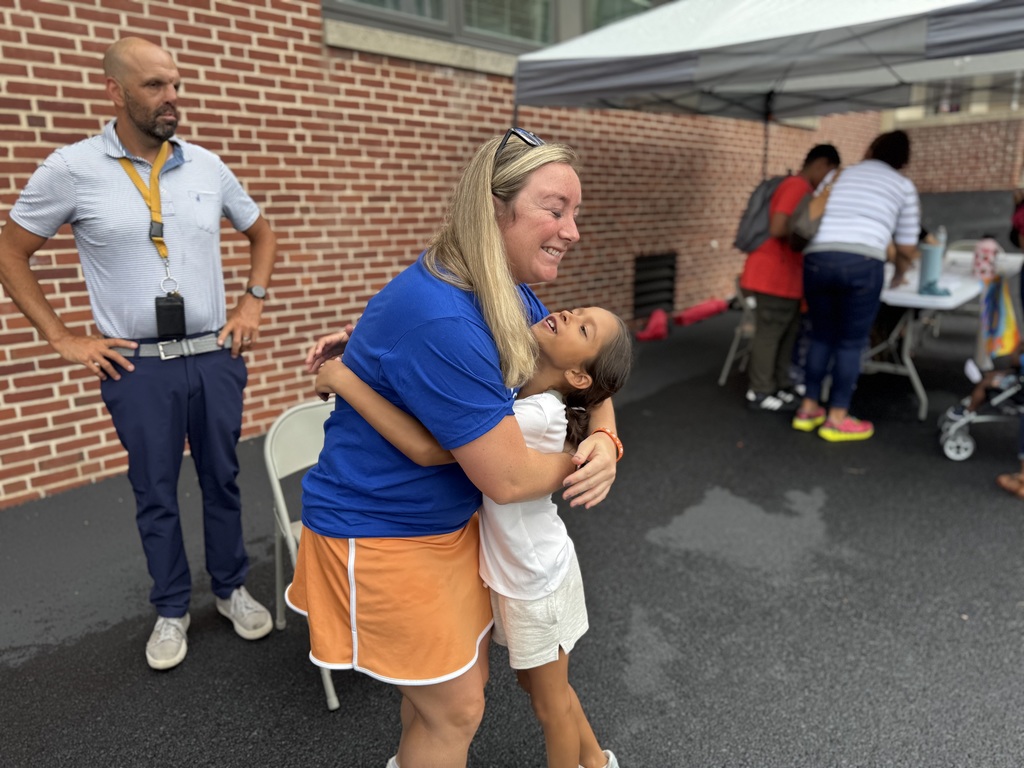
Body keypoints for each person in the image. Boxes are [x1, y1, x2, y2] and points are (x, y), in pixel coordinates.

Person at [288, 130, 622, 768]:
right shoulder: (446, 318)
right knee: (456, 707)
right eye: (556, 209)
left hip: (447, 525)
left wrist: (605, 439)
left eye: (575, 213)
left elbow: (586, 374)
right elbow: (507, 476)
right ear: (494, 209)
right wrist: (578, 461)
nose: (573, 231)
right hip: (384, 529)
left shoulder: (503, 289)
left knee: (442, 694)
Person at [0, 37, 277, 670]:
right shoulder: (71, 169)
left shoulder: (206, 166)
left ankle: (232, 588)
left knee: (223, 479)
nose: (171, 97)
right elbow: (10, 251)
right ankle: (172, 609)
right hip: (138, 366)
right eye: (155, 86)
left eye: (175, 84)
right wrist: (62, 337)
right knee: (154, 490)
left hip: (214, 355)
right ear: (116, 91)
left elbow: (261, 232)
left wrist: (251, 303)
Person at [315, 304, 632, 768]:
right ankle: (598, 764)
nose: (567, 313)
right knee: (543, 690)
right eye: (579, 310)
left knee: (550, 704)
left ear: (578, 376)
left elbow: (429, 447)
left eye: (583, 328)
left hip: (536, 581)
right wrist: (376, 345)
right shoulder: (518, 385)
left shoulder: (536, 412)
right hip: (519, 573)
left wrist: (346, 380)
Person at [792, 130, 921, 441]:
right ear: (904, 160)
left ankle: (808, 408)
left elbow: (815, 213)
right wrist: (899, 273)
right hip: (863, 262)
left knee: (821, 335)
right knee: (850, 342)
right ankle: (837, 417)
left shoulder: (839, 175)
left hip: (817, 258)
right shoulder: (903, 186)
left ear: (870, 149)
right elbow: (906, 248)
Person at [740, 144, 841, 411]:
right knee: (770, 333)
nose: (828, 179)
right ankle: (760, 390)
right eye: (829, 172)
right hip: (774, 275)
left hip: (786, 278)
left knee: (787, 334)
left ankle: (780, 385)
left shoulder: (802, 189)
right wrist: (807, 228)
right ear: (821, 164)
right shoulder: (797, 187)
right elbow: (777, 227)